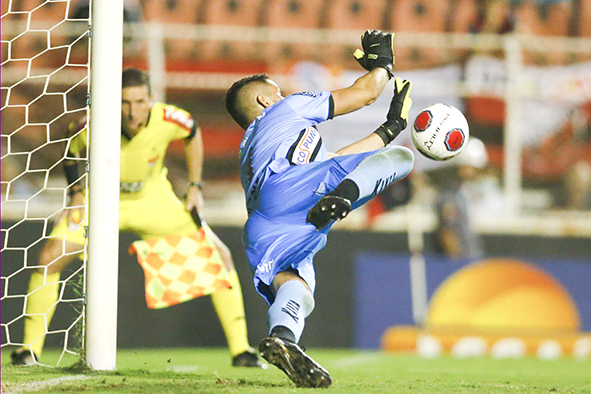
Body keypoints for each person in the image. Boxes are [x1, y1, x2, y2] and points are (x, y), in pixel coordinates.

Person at [11, 68, 262, 368]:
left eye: (140, 102)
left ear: (152, 100)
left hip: (151, 198)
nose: (133, 111)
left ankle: (241, 351)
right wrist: (76, 192)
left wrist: (195, 187)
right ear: (113, 103)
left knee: (219, 257)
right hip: (99, 201)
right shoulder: (91, 123)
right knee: (49, 256)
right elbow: (71, 145)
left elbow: (192, 133)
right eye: (125, 103)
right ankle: (28, 350)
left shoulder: (170, 118)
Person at [225, 30, 414, 387]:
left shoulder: (255, 147)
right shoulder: (285, 109)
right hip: (296, 191)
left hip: (268, 220)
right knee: (402, 158)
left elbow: (338, 162)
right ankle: (341, 201)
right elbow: (364, 93)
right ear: (265, 100)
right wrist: (384, 65)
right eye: (277, 91)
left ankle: (283, 338)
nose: (284, 94)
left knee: (294, 285)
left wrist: (390, 128)